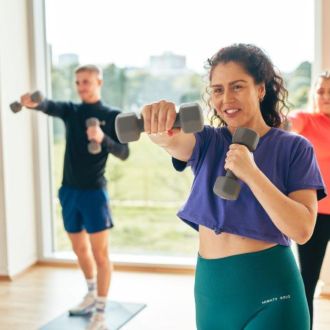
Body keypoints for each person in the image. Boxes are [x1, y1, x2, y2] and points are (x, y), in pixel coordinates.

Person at [138, 44, 326, 330]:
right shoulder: (207, 142)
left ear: (260, 89)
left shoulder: (294, 148)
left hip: (273, 295)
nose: (227, 98)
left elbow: (302, 230)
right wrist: (159, 128)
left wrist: (251, 172)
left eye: (237, 87)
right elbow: (173, 142)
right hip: (212, 292)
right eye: (217, 90)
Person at [20, 64, 129, 330]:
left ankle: (101, 311)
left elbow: (124, 153)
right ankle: (91, 294)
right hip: (68, 191)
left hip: (94, 193)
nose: (82, 87)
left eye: (87, 82)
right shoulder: (72, 110)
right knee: (80, 250)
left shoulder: (112, 116)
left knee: (100, 255)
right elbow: (48, 105)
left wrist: (103, 139)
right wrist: (32, 102)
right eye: (78, 82)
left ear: (99, 83)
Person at [288, 70, 330, 329]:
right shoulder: (304, 120)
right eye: (320, 91)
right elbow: (282, 124)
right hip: (316, 214)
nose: (325, 96)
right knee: (308, 280)